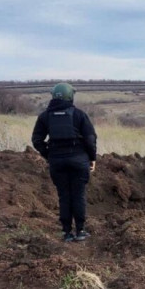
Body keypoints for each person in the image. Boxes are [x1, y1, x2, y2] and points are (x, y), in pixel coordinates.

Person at [31, 83, 98, 242]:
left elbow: (37, 140)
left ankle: (67, 233)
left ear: (54, 96)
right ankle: (80, 231)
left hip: (57, 162)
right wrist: (92, 158)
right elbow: (90, 139)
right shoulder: (79, 115)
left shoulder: (44, 116)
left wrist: (49, 155)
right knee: (78, 194)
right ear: (70, 96)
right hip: (79, 161)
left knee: (64, 195)